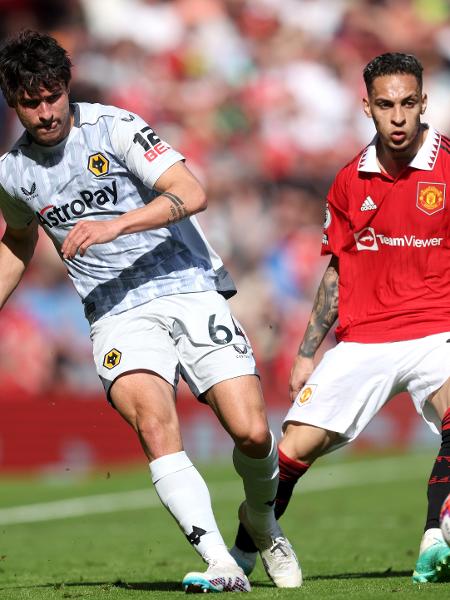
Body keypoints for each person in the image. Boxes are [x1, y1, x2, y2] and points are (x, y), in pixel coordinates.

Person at [0, 30, 301, 592]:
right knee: (155, 424)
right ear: (12, 102)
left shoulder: (115, 127)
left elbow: (192, 189)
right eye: (30, 102)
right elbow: (18, 240)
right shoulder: (13, 172)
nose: (45, 112)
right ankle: (220, 562)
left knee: (254, 435)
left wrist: (115, 224)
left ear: (67, 88)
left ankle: (259, 519)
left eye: (52, 96)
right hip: (114, 312)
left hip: (186, 284)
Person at [230, 52, 450, 584]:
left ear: (423, 103)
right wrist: (307, 352)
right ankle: (237, 557)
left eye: (406, 104)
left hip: (439, 329)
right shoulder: (349, 181)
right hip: (365, 337)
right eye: (384, 105)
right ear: (366, 107)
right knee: (289, 455)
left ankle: (434, 537)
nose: (397, 117)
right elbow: (336, 272)